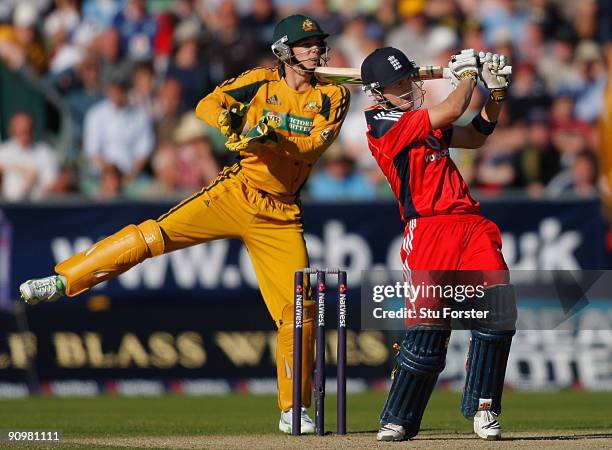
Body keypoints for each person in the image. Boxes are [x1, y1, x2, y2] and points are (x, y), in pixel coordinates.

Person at [19, 14, 349, 435]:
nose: (317, 50)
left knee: (299, 309)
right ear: (284, 51)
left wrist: (271, 131)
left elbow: (312, 146)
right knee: (151, 236)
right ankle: (63, 280)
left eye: (319, 43)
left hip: (281, 213)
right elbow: (206, 104)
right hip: (235, 192)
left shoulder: (333, 95)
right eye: (306, 44)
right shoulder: (260, 82)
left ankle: (292, 409)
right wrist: (231, 121)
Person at [359, 47, 516, 441]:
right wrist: (467, 78)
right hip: (427, 230)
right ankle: (399, 417)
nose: (409, 87)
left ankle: (485, 408)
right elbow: (449, 112)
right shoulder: (382, 122)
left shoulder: (419, 120)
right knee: (429, 329)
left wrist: (494, 96)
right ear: (378, 93)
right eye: (399, 83)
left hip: (470, 223)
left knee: (498, 307)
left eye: (409, 78)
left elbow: (475, 136)